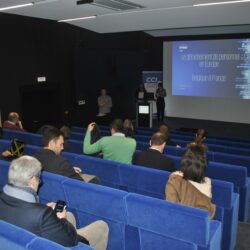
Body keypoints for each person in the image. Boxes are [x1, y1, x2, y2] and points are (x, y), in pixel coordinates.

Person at [0, 156, 109, 249]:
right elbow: (71, 240)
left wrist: (42, 208)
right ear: (32, 181)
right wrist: (61, 218)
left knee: (70, 215)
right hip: (61, 241)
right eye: (39, 179)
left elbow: (22, 211)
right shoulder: (42, 214)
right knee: (101, 226)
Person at [165, 144, 216, 219]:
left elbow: (169, 208)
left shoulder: (174, 179)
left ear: (183, 162)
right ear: (204, 165)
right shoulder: (208, 183)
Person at [33, 128, 100, 184]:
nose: (62, 148)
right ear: (52, 143)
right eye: (61, 144)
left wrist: (69, 169)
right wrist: (67, 168)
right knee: (95, 180)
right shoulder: (61, 162)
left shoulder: (33, 158)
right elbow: (80, 183)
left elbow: (52, 168)